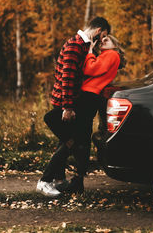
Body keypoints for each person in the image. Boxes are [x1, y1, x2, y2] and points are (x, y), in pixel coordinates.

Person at [36, 16, 111, 197]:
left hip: (70, 101)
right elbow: (67, 77)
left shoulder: (84, 46)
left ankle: (58, 180)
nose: (103, 40)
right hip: (64, 102)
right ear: (99, 31)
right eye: (104, 36)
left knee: (67, 141)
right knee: (69, 141)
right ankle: (45, 181)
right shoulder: (75, 45)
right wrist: (68, 107)